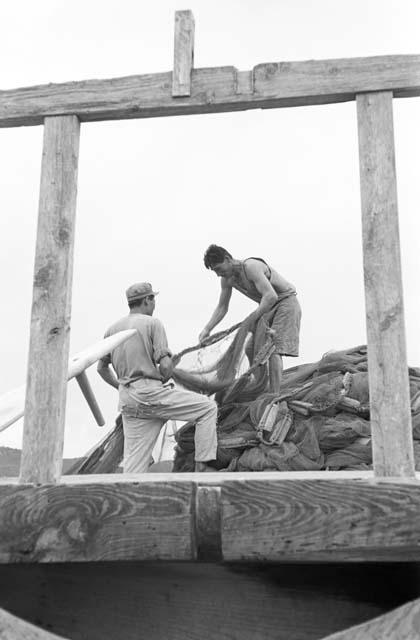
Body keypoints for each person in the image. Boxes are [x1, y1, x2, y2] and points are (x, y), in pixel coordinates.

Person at [97, 282, 217, 473]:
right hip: (151, 393)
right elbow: (166, 365)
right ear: (147, 300)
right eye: (153, 299)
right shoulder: (152, 323)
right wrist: (165, 375)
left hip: (129, 402)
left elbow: (101, 369)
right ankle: (203, 472)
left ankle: (129, 497)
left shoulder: (112, 330)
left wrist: (121, 387)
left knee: (134, 467)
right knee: (207, 408)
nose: (154, 304)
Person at [199, 245, 301, 393]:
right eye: (215, 271)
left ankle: (275, 395)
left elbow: (271, 295)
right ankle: (261, 387)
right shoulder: (227, 280)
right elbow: (222, 307)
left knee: (273, 349)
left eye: (219, 269)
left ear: (228, 259)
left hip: (285, 303)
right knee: (250, 348)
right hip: (267, 308)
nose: (218, 274)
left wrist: (252, 318)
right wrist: (207, 329)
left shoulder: (251, 267)